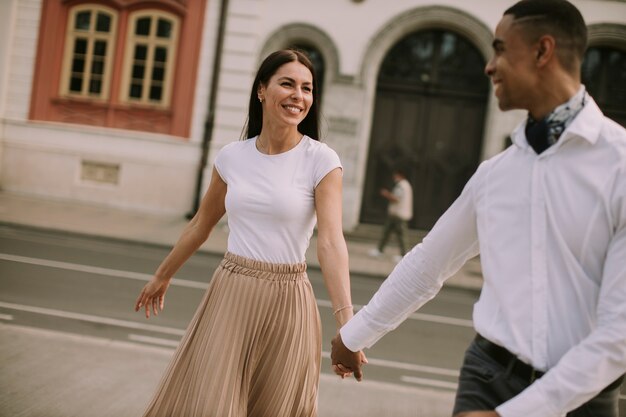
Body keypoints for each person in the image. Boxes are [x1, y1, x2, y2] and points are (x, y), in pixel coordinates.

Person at [331, 1, 626, 416]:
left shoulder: (620, 166)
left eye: (501, 49)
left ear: (543, 52)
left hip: (583, 399)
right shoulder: (495, 175)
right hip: (486, 381)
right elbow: (427, 265)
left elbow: (620, 334)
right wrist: (353, 335)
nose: (489, 66)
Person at [134, 49, 363, 417]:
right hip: (229, 294)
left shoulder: (321, 160)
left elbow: (331, 242)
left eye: (307, 88)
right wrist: (162, 275)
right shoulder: (232, 157)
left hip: (289, 303)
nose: (298, 96)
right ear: (262, 90)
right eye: (287, 84)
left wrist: (348, 328)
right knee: (211, 405)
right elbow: (200, 224)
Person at [368, 168, 413, 262]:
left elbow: (396, 199)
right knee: (387, 232)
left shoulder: (402, 185)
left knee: (401, 235)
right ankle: (379, 250)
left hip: (399, 215)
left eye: (396, 175)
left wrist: (386, 194)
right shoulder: (405, 185)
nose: (394, 177)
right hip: (396, 214)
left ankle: (404, 254)